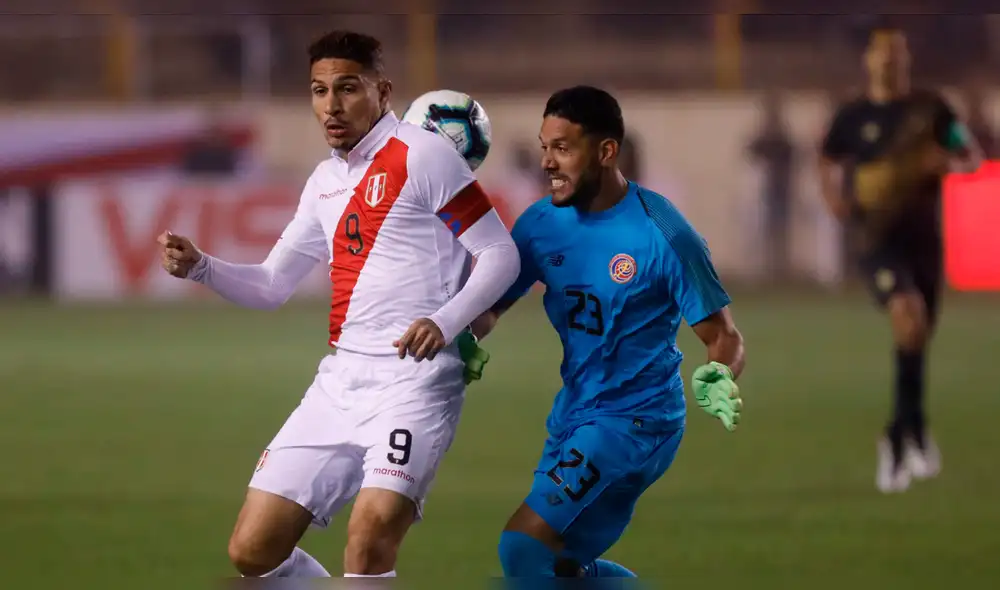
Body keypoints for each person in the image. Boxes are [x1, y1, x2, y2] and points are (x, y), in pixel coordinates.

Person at [156, 30, 518, 578]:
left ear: (383, 91)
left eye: (347, 89)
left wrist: (445, 323)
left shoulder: (426, 156)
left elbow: (499, 254)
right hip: (340, 381)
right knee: (252, 553)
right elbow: (272, 284)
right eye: (319, 90)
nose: (331, 104)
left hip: (413, 383)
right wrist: (202, 266)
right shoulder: (324, 181)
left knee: (369, 537)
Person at [469, 86, 746, 579]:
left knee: (521, 546)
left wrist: (720, 373)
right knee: (560, 564)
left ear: (605, 151)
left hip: (637, 421)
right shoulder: (539, 225)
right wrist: (465, 336)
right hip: (575, 415)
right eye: (544, 147)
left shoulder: (663, 232)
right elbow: (490, 304)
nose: (547, 162)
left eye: (563, 148)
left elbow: (722, 334)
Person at [818, 27, 982, 493]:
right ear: (869, 59)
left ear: (907, 58)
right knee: (907, 318)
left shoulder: (932, 111)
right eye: (882, 52)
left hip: (925, 242)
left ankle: (906, 430)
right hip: (877, 241)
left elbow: (970, 154)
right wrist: (833, 196)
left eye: (898, 52)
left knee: (916, 336)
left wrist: (947, 163)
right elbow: (827, 157)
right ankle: (900, 436)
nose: (890, 60)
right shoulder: (853, 117)